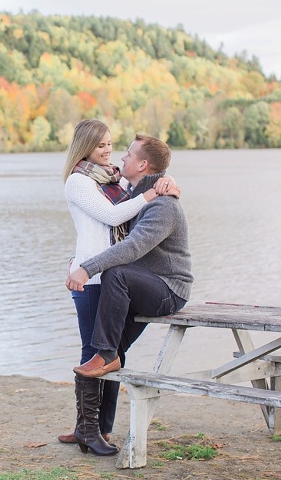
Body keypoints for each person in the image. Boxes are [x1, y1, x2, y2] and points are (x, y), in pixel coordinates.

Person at [60, 121, 180, 456]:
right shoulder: (79, 181)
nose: (108, 151)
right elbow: (114, 217)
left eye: (111, 145)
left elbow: (149, 174)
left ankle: (98, 429)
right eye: (100, 146)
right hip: (92, 276)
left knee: (109, 352)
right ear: (85, 147)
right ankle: (88, 430)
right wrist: (152, 193)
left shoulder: (112, 178)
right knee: (94, 352)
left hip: (112, 276)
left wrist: (165, 182)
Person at [66, 133, 193, 383]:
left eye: (128, 154)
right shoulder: (132, 194)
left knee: (116, 273)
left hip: (169, 289)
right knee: (108, 353)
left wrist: (87, 269)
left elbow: (133, 247)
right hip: (143, 283)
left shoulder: (163, 205)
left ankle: (106, 355)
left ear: (142, 165)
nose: (121, 157)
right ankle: (97, 421)